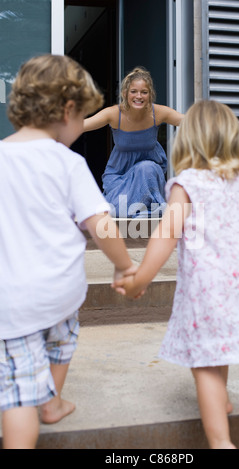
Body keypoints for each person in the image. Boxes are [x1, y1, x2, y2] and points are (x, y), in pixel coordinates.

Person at [113, 100, 239, 449]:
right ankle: (222, 401)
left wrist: (141, 278)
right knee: (218, 350)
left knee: (204, 363)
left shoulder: (188, 184)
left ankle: (220, 442)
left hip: (207, 291)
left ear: (189, 142)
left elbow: (167, 234)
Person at [0, 54, 134, 449]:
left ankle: (42, 403)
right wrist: (125, 265)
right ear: (68, 109)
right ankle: (51, 403)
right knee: (62, 341)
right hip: (61, 293)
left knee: (19, 379)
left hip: (11, 300)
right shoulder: (68, 163)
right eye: (83, 118)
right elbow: (101, 223)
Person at [84, 66, 239, 218]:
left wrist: (236, 126)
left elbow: (195, 121)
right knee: (118, 210)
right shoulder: (114, 114)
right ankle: (141, 208)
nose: (139, 96)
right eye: (134, 91)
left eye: (144, 92)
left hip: (149, 176)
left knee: (146, 167)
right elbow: (82, 125)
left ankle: (146, 207)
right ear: (125, 93)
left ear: (150, 94)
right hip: (119, 177)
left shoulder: (158, 113)